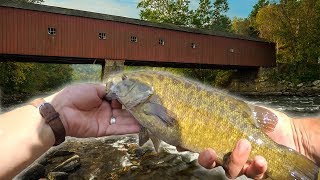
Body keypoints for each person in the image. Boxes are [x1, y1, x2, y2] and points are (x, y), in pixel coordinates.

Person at [0, 83, 319, 179]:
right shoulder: (145, 109)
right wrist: (56, 119)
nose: (118, 85)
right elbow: (155, 128)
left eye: (128, 83)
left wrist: (297, 137)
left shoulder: (149, 105)